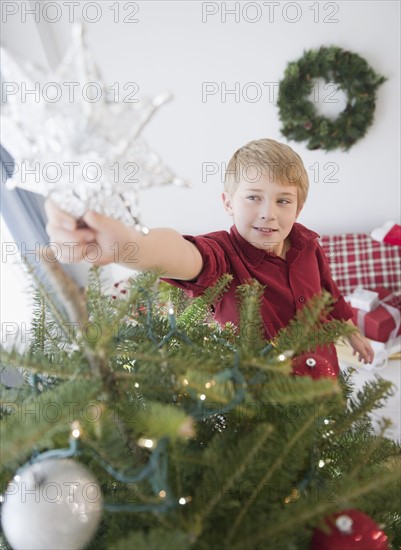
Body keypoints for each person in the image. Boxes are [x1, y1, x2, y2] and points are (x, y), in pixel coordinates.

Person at [45, 138, 374, 369]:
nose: (268, 213)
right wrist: (128, 244)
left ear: (298, 208)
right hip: (265, 413)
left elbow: (330, 295)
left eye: (282, 200)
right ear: (228, 202)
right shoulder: (221, 256)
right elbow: (180, 254)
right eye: (253, 198)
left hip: (327, 382)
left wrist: (351, 330)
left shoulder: (308, 245)